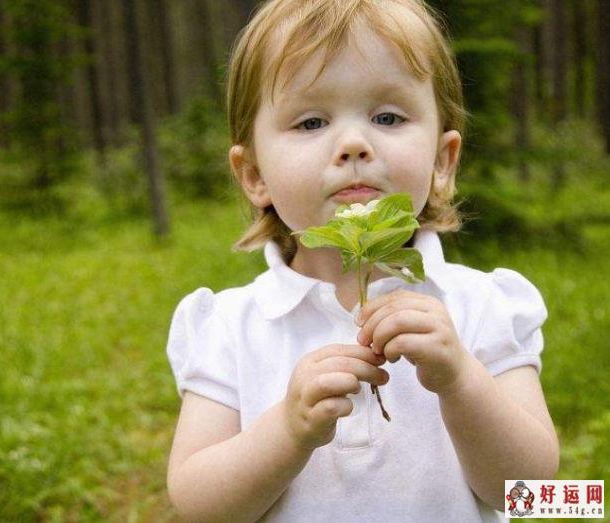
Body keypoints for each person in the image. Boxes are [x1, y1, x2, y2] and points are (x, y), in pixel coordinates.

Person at [164, 0, 559, 521]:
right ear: (254, 175)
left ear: (443, 162)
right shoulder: (230, 327)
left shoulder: (481, 305)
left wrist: (461, 380)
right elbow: (199, 505)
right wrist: (287, 429)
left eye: (388, 117)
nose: (353, 143)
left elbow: (529, 492)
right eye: (310, 122)